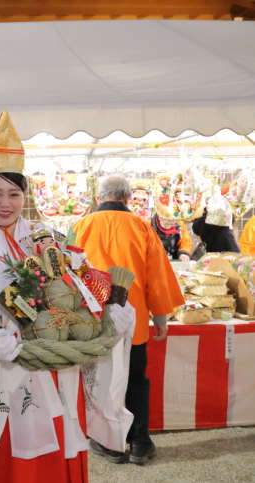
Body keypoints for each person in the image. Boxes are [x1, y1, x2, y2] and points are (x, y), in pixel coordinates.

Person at [0, 112, 122, 483]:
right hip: (3, 371)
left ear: (25, 197)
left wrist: (105, 307)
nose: (4, 203)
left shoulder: (49, 238)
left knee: (58, 448)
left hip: (57, 366)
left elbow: (83, 285)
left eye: (13, 193)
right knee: (10, 460)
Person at [74, 175, 184, 465]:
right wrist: (160, 316)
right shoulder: (140, 227)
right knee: (135, 379)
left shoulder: (82, 226)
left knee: (98, 381)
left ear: (100, 198)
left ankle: (107, 442)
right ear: (127, 198)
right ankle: (139, 442)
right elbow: (157, 275)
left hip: (93, 320)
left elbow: (69, 272)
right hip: (132, 320)